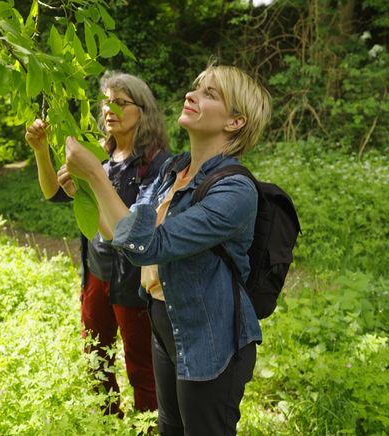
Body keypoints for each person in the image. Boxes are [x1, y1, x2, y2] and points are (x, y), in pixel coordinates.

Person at [63, 64, 271, 435]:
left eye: (210, 94)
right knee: (169, 428)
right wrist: (88, 190)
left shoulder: (235, 190)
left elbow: (149, 245)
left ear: (235, 122)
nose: (192, 95)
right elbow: (124, 234)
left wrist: (96, 173)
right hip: (165, 325)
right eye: (196, 88)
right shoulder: (173, 171)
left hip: (210, 340)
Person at [24, 71, 170, 416]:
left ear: (143, 111)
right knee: (96, 358)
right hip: (95, 276)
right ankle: (107, 421)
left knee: (142, 367)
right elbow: (52, 191)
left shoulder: (157, 164)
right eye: (106, 101)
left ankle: (149, 425)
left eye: (121, 102)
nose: (110, 108)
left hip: (135, 284)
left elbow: (142, 232)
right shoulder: (95, 155)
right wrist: (41, 150)